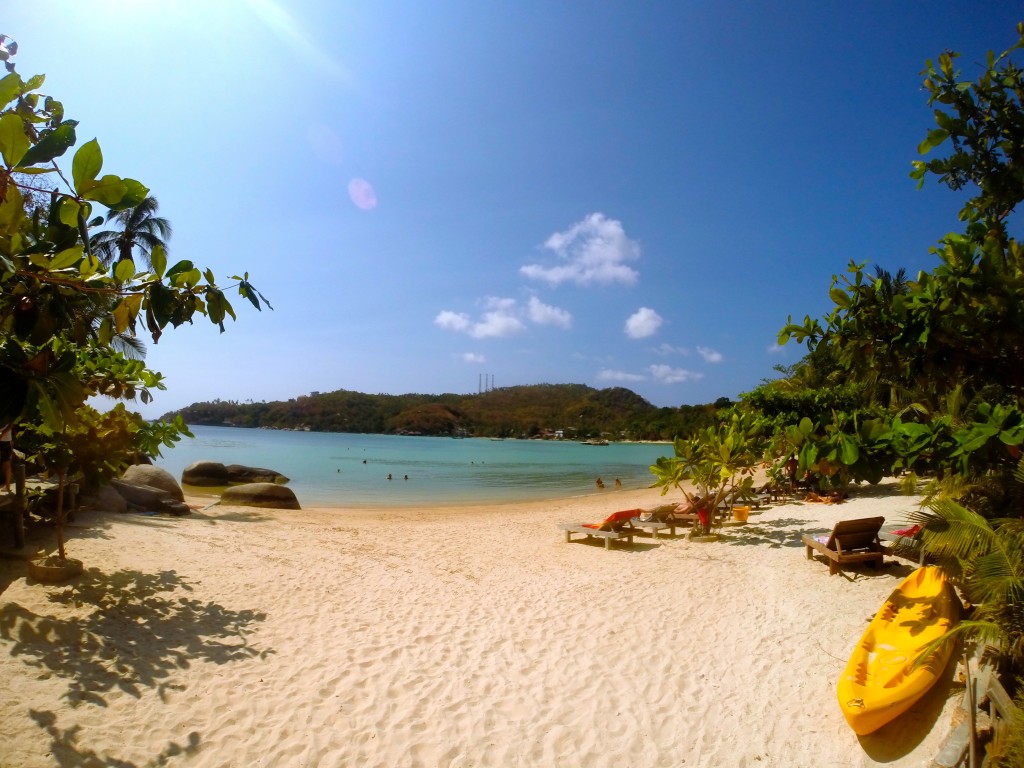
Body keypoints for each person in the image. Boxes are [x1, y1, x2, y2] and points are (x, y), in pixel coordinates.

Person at [1, 422, 13, 493]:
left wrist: (2, 433)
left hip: (6, 440)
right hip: (6, 440)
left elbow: (11, 425)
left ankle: (7, 486)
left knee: (7, 464)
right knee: (7, 464)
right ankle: (7, 486)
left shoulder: (9, 413)